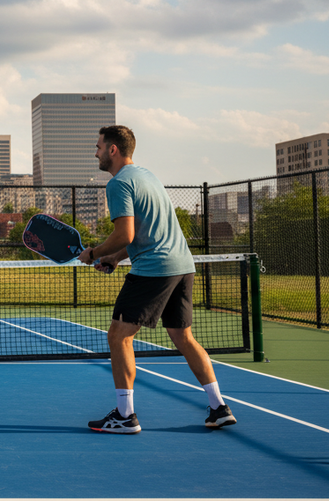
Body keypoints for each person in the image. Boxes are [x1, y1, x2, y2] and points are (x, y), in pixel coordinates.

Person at [79, 125, 236, 434]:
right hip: (182, 265)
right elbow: (144, 234)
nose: (94, 152)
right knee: (183, 336)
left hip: (155, 269)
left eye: (98, 146)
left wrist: (94, 251)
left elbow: (125, 233)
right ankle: (219, 407)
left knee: (118, 336)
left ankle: (125, 416)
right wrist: (114, 257)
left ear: (113, 149)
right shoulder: (147, 176)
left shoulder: (119, 184)